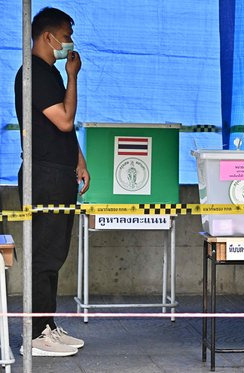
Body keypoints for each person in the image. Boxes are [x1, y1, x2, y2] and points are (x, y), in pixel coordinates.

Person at [15, 7, 90, 357]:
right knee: (43, 253)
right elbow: (64, 119)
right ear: (48, 36)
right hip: (42, 174)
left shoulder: (49, 73)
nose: (70, 43)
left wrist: (79, 161)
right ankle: (35, 334)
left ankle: (47, 325)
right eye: (66, 34)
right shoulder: (34, 74)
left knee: (55, 252)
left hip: (59, 171)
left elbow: (65, 130)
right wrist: (73, 75)